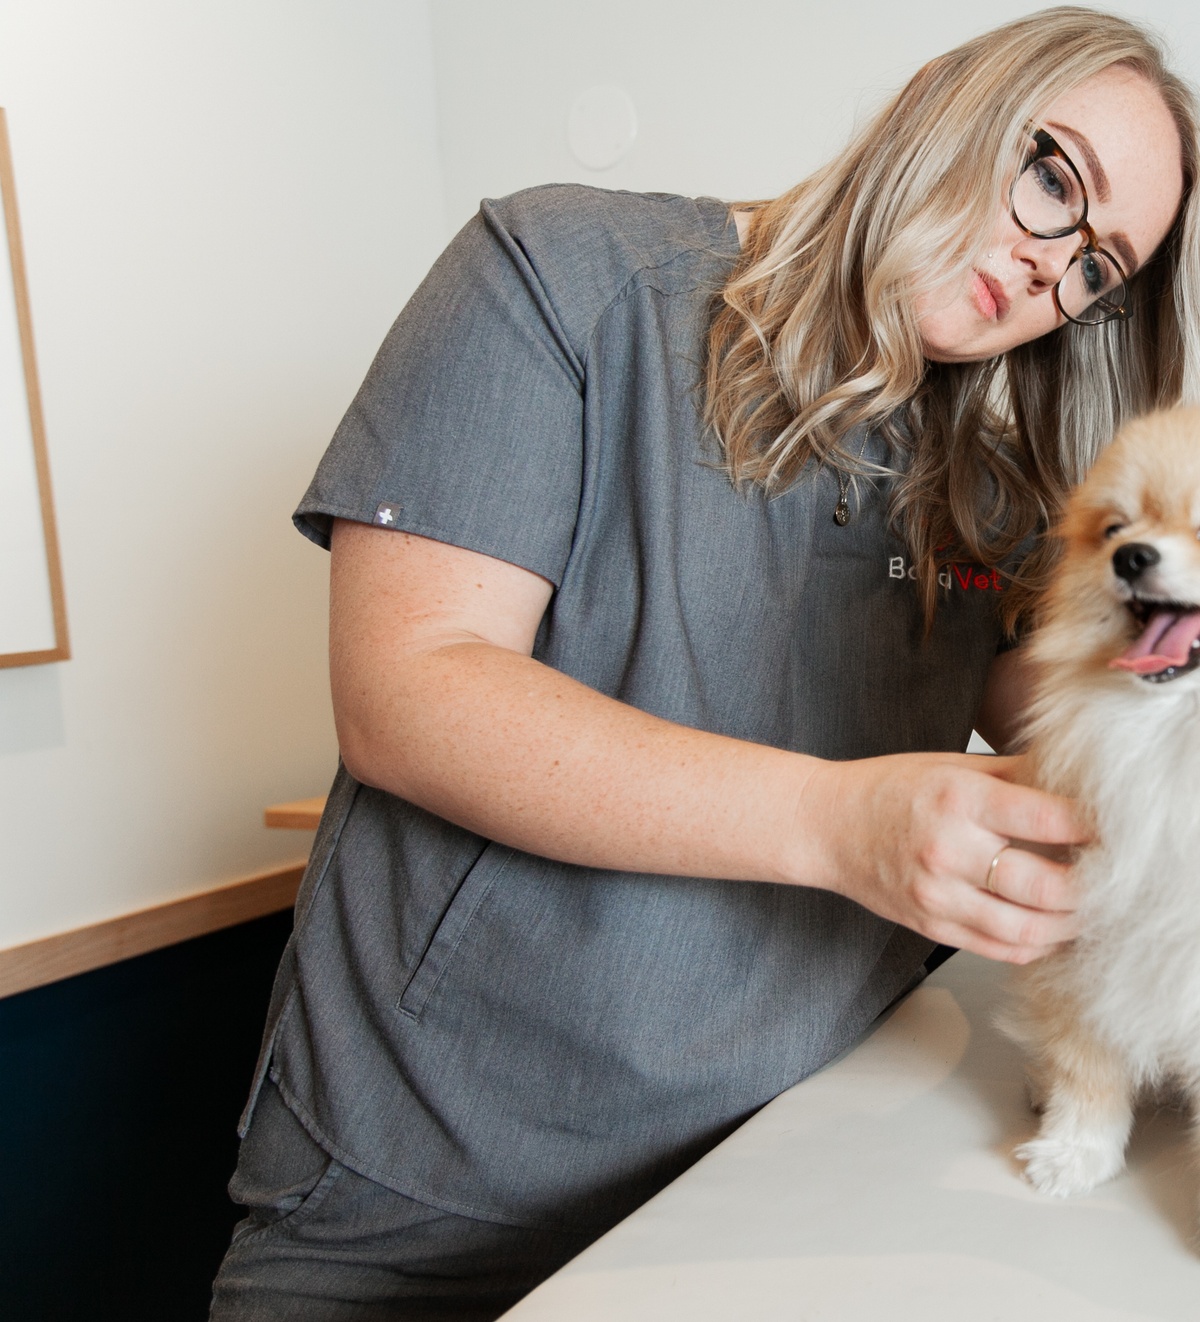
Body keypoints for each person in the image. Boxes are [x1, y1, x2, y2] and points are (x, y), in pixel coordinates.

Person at [210, 8, 1199, 1319]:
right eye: (1053, 175)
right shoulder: (564, 280)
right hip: (437, 1191)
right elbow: (408, 687)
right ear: (939, 96)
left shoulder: (989, 487)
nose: (1047, 266)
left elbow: (1072, 718)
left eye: (1097, 268)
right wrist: (842, 823)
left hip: (786, 1168)